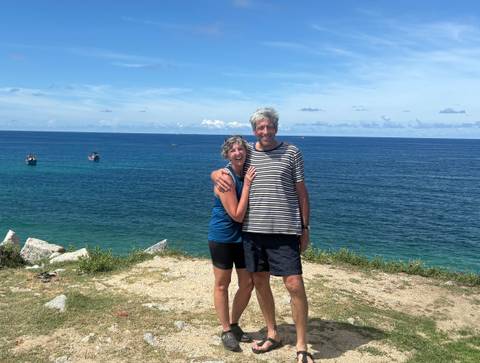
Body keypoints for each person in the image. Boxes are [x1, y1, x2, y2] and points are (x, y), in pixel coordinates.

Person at [212, 108, 314, 363]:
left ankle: (302, 345)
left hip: (285, 231)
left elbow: (302, 192)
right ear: (254, 130)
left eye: (269, 127)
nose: (265, 131)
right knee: (260, 283)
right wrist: (214, 174)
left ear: (276, 128)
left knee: (294, 285)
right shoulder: (249, 155)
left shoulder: (292, 152)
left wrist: (305, 227)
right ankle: (272, 333)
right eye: (260, 128)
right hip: (252, 233)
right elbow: (227, 167)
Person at [207, 135, 256, 352]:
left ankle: (234, 324)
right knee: (222, 284)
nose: (238, 153)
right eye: (233, 150)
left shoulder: (246, 170)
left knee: (247, 283)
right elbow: (236, 214)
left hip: (244, 237)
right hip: (223, 237)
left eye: (241, 149)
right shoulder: (225, 178)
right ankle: (226, 330)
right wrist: (246, 185)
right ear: (227, 154)